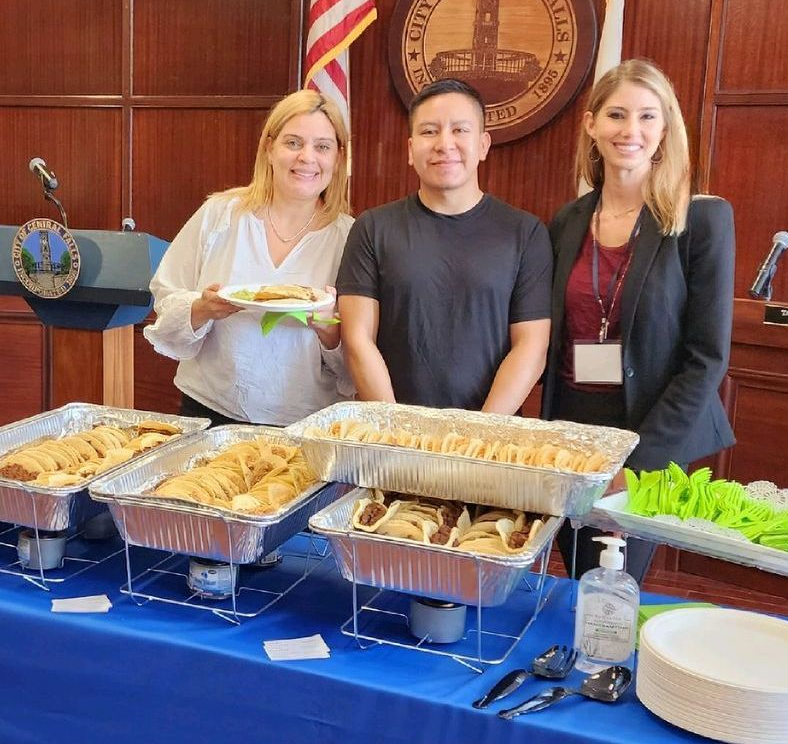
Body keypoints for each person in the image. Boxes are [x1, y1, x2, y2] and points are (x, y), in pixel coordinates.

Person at [541, 59, 735, 582]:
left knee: (615, 583)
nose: (631, 131)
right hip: (570, 428)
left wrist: (638, 464)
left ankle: (608, 666)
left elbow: (706, 358)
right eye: (617, 115)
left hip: (651, 430)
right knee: (579, 571)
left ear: (665, 130)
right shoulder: (568, 221)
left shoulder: (701, 219)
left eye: (648, 117)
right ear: (591, 125)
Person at [337, 78, 552, 414]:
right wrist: (395, 430)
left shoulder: (525, 233)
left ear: (483, 145)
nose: (444, 143)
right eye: (429, 131)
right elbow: (357, 340)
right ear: (410, 150)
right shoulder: (373, 228)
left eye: (460, 130)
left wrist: (478, 435)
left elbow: (531, 347)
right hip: (393, 436)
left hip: (490, 439)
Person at [144, 89, 354, 426]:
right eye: (294, 143)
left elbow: (357, 364)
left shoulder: (351, 239)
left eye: (322, 146)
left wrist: (329, 330)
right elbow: (165, 299)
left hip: (302, 423)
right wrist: (201, 308)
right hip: (207, 411)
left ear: (338, 158)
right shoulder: (220, 214)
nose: (307, 158)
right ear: (269, 148)